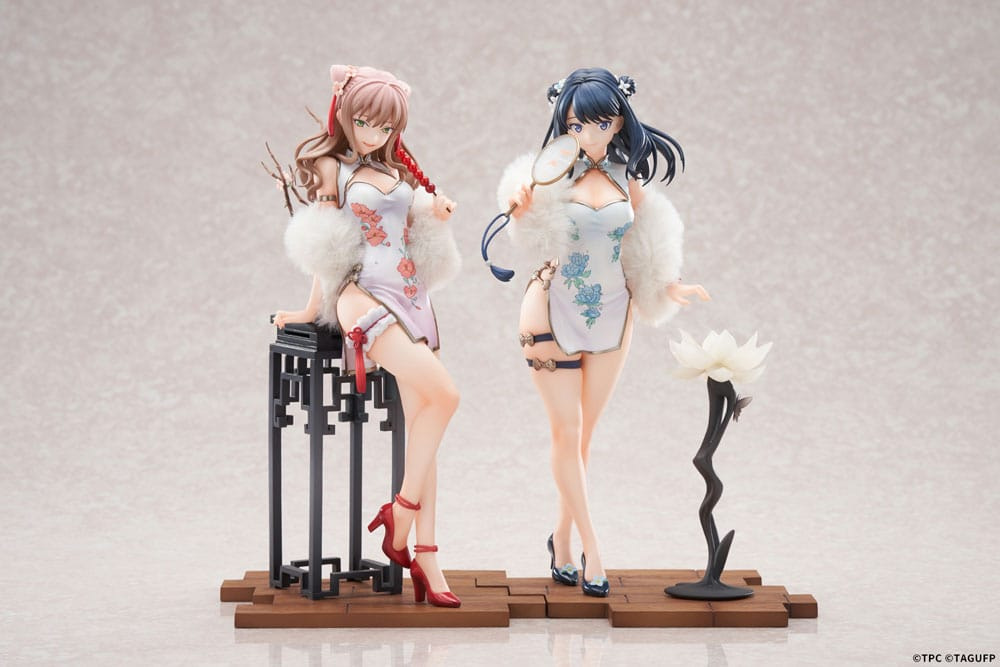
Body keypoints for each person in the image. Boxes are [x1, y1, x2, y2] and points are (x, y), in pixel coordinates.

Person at [495, 67, 710, 597]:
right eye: (575, 125)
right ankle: (593, 548)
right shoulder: (551, 176)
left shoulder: (624, 180)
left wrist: (668, 283)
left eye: (600, 123)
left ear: (618, 122)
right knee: (566, 431)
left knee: (585, 436)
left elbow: (650, 240)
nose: (588, 134)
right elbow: (526, 232)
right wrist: (521, 209)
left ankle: (560, 539)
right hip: (550, 306)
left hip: (614, 312)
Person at [276, 65, 462, 607]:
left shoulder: (393, 171)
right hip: (363, 294)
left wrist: (436, 213)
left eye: (384, 127)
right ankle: (400, 515)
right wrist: (312, 309)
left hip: (412, 297)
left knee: (425, 421)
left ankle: (426, 554)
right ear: (345, 117)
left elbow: (411, 228)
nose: (373, 134)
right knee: (446, 397)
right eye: (363, 123)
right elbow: (326, 243)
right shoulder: (333, 168)